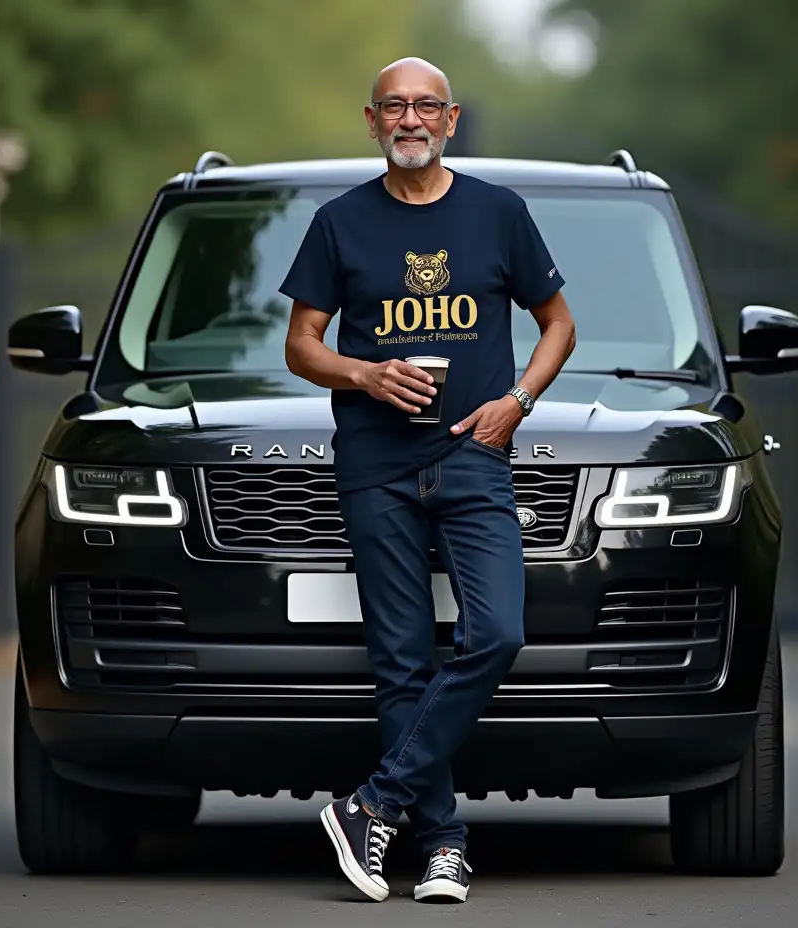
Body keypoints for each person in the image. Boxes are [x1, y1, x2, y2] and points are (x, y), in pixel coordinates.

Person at [280, 57, 576, 904]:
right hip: (374, 464)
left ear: (449, 122)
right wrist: (365, 376)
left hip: (472, 457)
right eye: (394, 108)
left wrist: (517, 400)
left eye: (426, 107)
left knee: (497, 632)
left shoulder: (498, 213)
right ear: (371, 122)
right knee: (402, 659)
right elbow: (302, 344)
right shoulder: (339, 223)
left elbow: (558, 324)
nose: (410, 120)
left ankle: (372, 804)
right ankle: (440, 843)